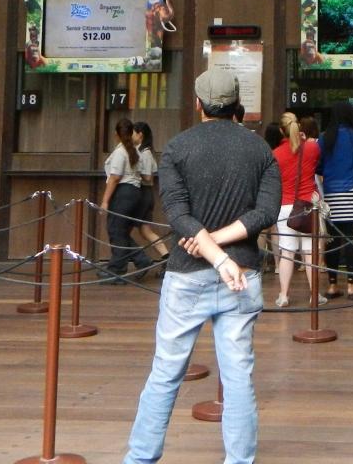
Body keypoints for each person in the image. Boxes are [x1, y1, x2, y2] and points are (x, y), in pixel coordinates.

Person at [122, 69, 280, 464]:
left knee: (165, 372)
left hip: (187, 274)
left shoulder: (177, 148)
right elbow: (266, 212)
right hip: (242, 272)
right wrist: (223, 252)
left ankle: (140, 459)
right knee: (238, 377)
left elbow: (178, 214)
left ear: (198, 104)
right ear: (237, 104)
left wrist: (207, 243)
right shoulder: (260, 150)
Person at [318, 101, 353, 300]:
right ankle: (351, 286)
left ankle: (332, 285)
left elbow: (317, 165)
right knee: (351, 238)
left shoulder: (325, 137)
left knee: (333, 240)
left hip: (331, 193)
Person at [270, 113, 321, 306]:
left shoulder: (276, 154)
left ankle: (283, 295)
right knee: (309, 252)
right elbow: (316, 164)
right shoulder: (312, 148)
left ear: (280, 130)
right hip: (307, 205)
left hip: (285, 206)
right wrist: (304, 140)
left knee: (287, 252)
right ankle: (314, 295)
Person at [101, 117, 153, 282]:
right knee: (121, 231)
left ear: (116, 134)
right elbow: (144, 175)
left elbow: (115, 177)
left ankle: (117, 270)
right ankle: (140, 260)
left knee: (115, 230)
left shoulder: (121, 152)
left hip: (123, 192)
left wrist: (105, 200)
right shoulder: (135, 151)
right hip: (135, 192)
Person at [132, 121, 167, 263]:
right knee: (145, 231)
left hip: (143, 193)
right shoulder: (142, 151)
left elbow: (148, 177)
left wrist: (134, 171)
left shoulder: (144, 154)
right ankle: (166, 257)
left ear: (140, 134)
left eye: (133, 133)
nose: (131, 136)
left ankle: (141, 259)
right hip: (145, 194)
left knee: (124, 229)